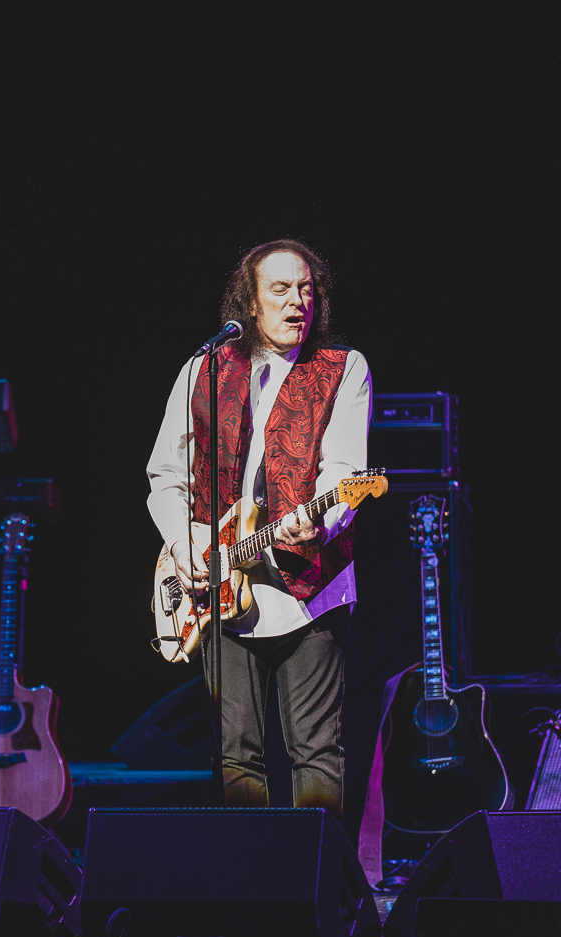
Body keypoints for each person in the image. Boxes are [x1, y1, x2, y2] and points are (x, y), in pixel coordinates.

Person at [146, 239, 371, 818]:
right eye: (281, 289)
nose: (298, 302)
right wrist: (185, 540)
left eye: (307, 289)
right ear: (249, 301)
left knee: (316, 751)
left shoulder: (343, 368)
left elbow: (345, 473)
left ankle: (318, 890)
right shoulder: (205, 368)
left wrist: (321, 520)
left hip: (308, 590)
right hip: (218, 588)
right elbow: (167, 473)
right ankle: (250, 890)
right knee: (235, 756)